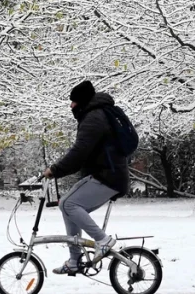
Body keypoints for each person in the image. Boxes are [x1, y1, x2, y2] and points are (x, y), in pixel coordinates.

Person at [42, 80, 129, 275]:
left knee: (68, 204)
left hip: (108, 176)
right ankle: (74, 260)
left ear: (82, 101)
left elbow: (79, 153)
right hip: (107, 174)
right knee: (67, 206)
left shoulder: (93, 118)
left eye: (73, 101)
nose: (71, 105)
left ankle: (103, 240)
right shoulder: (96, 115)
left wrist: (54, 170)